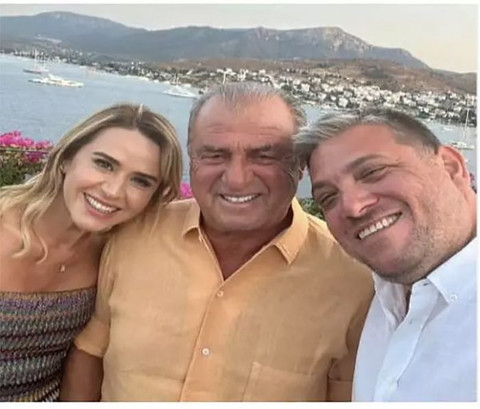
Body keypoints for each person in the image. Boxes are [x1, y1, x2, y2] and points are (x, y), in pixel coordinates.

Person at [60, 82, 373, 402]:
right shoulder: (133, 237)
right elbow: (90, 351)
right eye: (214, 155)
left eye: (264, 156)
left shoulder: (353, 281)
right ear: (192, 159)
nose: (236, 179)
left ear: (300, 166)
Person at [0, 103, 183, 402]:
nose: (113, 191)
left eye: (140, 181)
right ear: (67, 158)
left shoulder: (115, 255)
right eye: (104, 164)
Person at [294, 108, 477, 402]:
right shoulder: (381, 296)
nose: (353, 207)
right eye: (328, 197)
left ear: (451, 167)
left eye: (372, 172)